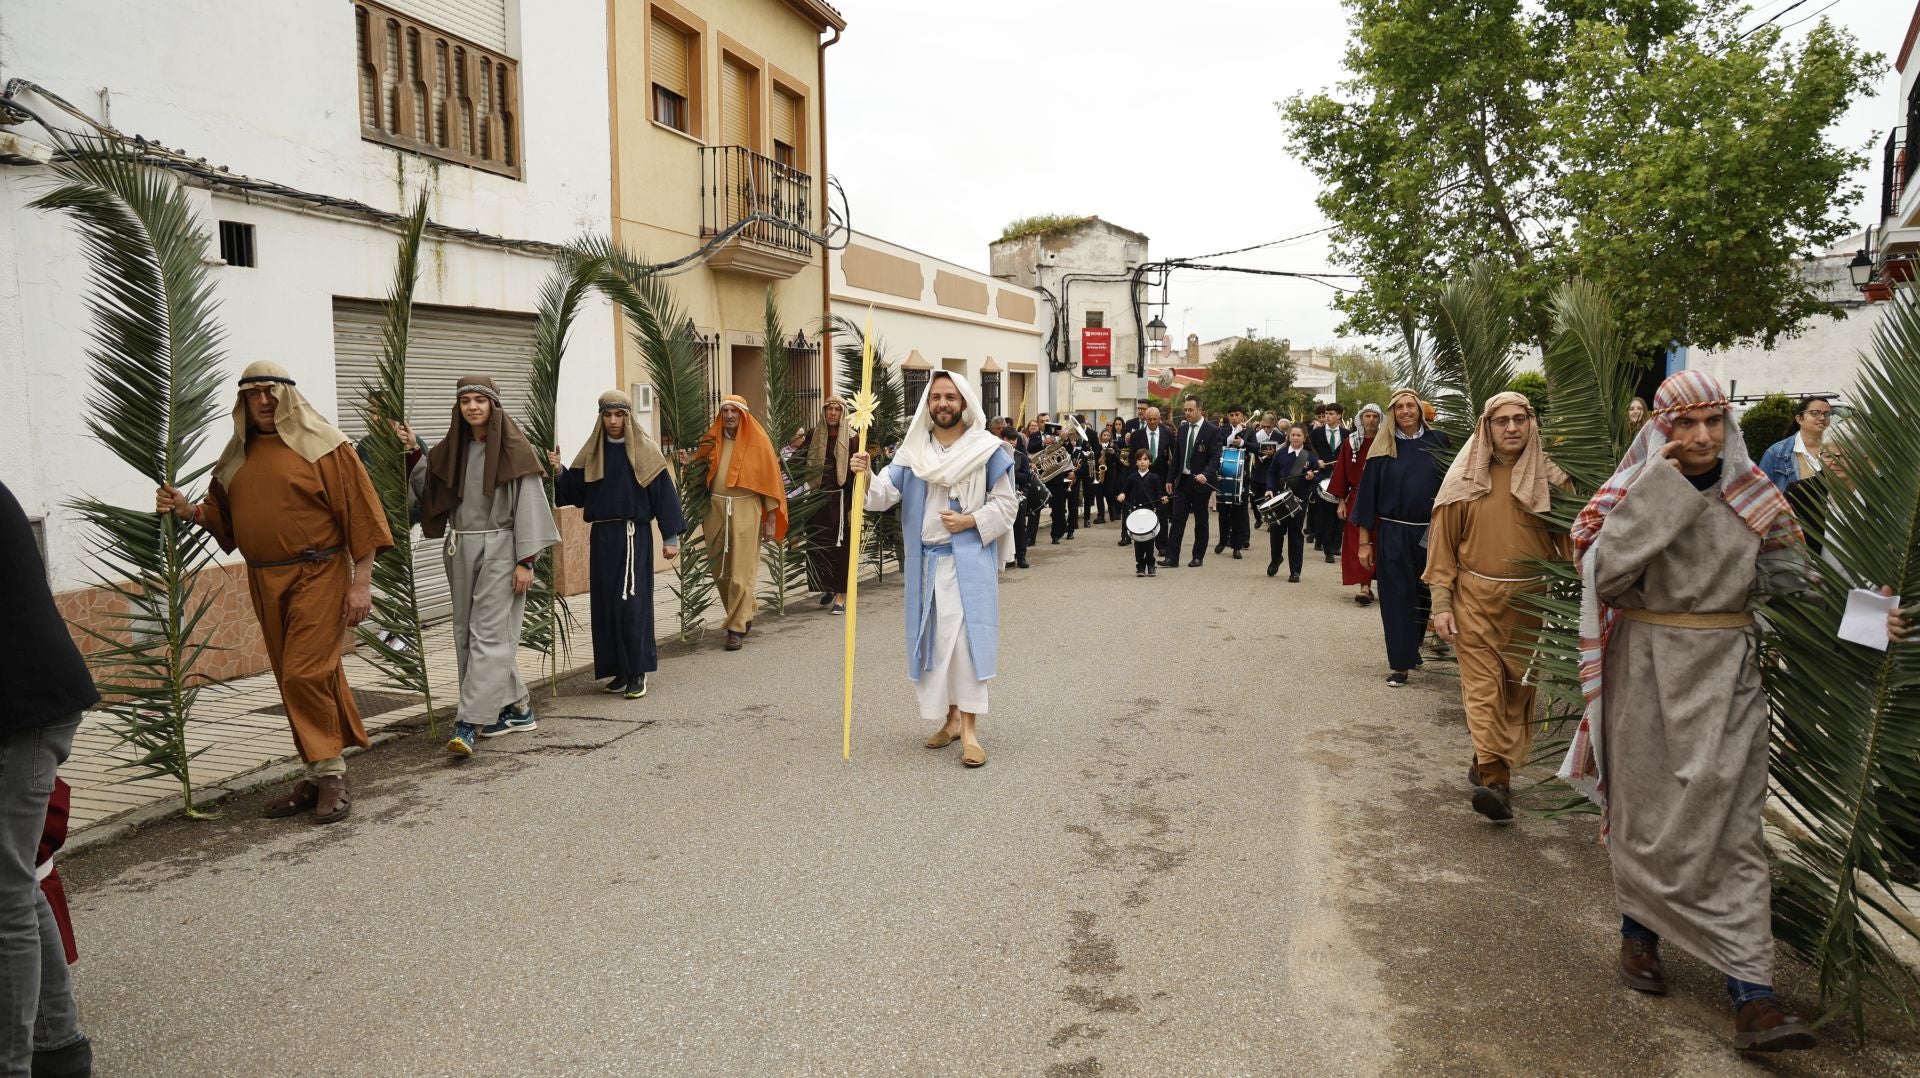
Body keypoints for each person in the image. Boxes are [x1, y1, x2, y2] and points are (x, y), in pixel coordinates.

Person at [1557, 370, 1823, 1051]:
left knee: (1733, 822)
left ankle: (1753, 995)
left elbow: (1799, 587)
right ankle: (1639, 936)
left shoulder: (1757, 497)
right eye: (1686, 424)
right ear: (1661, 429)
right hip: (1645, 665)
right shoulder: (1629, 493)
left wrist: (1873, 618)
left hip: (1726, 671)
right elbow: (1604, 573)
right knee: (1649, 816)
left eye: (1714, 423)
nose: (1702, 436)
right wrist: (1662, 488)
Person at [158, 361, 393, 820]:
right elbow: (222, 519)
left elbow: (363, 514)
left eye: (270, 392)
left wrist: (360, 583)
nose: (263, 402)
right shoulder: (236, 456)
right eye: (252, 394)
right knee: (300, 675)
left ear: (288, 395)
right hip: (264, 578)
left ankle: (330, 775)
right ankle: (312, 774)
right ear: (243, 401)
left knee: (303, 673)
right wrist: (187, 509)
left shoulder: (327, 447)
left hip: (319, 573)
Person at [853, 371, 1017, 769]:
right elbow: (882, 496)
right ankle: (951, 719)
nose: (943, 403)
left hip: (968, 562)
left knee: (965, 646)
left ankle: (972, 732)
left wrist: (971, 521)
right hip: (926, 564)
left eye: (951, 397)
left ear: (964, 403)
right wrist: (865, 473)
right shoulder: (912, 454)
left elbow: (1007, 505)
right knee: (937, 646)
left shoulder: (987, 450)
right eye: (936, 397)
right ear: (928, 404)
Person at [1422, 392, 1569, 821]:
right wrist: (1441, 605)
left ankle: (1486, 758)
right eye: (1501, 421)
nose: (1510, 428)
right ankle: (1496, 783)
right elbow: (1443, 550)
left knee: (1517, 693)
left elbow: (1571, 544)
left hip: (1530, 603)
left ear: (1531, 424)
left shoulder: (1554, 481)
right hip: (1474, 600)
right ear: (1486, 428)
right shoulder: (1464, 480)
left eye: (1519, 419)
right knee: (1483, 690)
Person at [2, 481, 96, 1078]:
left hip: (21, 710)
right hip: (30, 702)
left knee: (3, 893)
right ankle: (59, 1050)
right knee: (21, 879)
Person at [415, 375, 560, 755]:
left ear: (493, 405)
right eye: (466, 401)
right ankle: (518, 708)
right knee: (465, 632)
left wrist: (527, 561)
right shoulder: (453, 450)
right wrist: (414, 453)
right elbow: (431, 486)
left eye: (480, 400)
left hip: (502, 547)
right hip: (460, 546)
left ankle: (469, 723)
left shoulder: (514, 449)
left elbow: (530, 504)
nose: (473, 407)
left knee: (488, 633)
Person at [550, 390, 684, 700]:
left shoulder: (647, 452)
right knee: (606, 605)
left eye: (619, 415)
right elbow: (574, 493)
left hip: (632, 535)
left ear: (628, 417)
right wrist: (558, 471)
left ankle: (637, 671)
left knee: (631, 604)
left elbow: (664, 495)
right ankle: (619, 671)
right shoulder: (592, 453)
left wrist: (670, 538)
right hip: (602, 538)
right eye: (607, 415)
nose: (613, 421)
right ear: (601, 418)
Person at [1353, 388, 1449, 687]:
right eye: (1399, 407)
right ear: (1392, 413)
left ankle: (1412, 649)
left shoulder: (1440, 442)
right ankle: (1400, 664)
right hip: (1393, 532)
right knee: (1396, 598)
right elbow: (1367, 498)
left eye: (1411, 405)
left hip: (1432, 531)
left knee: (1423, 596)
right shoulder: (1383, 449)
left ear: (1420, 410)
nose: (1406, 411)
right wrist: (1364, 542)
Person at [690, 395, 789, 652]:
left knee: (741, 572)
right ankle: (744, 611)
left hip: (747, 508)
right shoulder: (711, 441)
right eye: (725, 410)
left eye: (734, 410)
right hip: (715, 509)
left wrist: (769, 520)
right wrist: (686, 464)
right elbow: (697, 472)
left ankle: (735, 629)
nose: (730, 415)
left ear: (743, 415)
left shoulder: (760, 442)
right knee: (720, 570)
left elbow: (770, 484)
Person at [803, 395, 858, 614]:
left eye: (837, 409)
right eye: (829, 409)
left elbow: (857, 475)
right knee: (819, 548)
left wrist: (854, 505)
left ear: (843, 413)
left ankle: (841, 595)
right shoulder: (813, 435)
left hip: (842, 501)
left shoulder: (853, 438)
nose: (833, 413)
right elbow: (799, 461)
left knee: (841, 549)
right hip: (818, 500)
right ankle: (827, 586)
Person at [1330, 404, 1381, 606]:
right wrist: (1341, 501)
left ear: (1380, 419)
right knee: (1357, 543)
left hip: (1383, 499)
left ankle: (1385, 585)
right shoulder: (1350, 442)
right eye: (1367, 416)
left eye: (1375, 416)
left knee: (1381, 541)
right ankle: (1364, 587)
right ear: (1361, 419)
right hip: (1357, 499)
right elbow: (1341, 472)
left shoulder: (1389, 442)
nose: (1370, 420)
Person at [1164, 396, 1223, 568]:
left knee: (1200, 520)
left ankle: (1198, 556)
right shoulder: (1182, 429)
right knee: (1177, 519)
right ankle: (1171, 557)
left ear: (1199, 410)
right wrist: (1170, 478)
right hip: (1182, 482)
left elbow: (1215, 456)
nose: (1187, 413)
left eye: (1190, 410)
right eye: (1185, 410)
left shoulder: (1211, 430)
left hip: (1200, 482)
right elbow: (1177, 457)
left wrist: (1206, 473)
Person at [1263, 424, 1320, 581]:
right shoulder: (1280, 454)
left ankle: (1295, 571)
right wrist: (1269, 488)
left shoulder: (1310, 456)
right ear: (1288, 436)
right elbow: (1271, 473)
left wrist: (1312, 478)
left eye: (1298, 435)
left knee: (1295, 535)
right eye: (1292, 435)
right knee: (1276, 533)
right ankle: (1276, 559)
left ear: (1304, 437)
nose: (1295, 438)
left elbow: (1318, 478)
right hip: (1279, 499)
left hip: (1299, 500)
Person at [1757, 396, 1832, 493]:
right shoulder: (1776, 453)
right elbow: (1761, 493)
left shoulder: (1838, 450)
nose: (1822, 418)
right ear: (1799, 419)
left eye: (1827, 414)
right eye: (1815, 413)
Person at [1127, 407, 1176, 550]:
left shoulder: (1168, 434)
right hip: (1142, 478)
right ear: (1145, 419)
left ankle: (1162, 545)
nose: (1153, 422)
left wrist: (1171, 479)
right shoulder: (1137, 436)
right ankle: (1142, 541)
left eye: (1155, 419)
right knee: (1143, 511)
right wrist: (1133, 480)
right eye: (1150, 419)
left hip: (1162, 479)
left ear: (1159, 419)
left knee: (1162, 512)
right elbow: (1132, 459)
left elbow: (1174, 458)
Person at [1116, 448, 1166, 577]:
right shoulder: (1131, 477)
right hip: (1135, 513)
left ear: (1150, 462)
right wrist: (1121, 495)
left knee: (1149, 542)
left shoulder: (1155, 477)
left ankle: (1150, 565)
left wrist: (1163, 498)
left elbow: (1159, 493)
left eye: (1145, 459)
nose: (1142, 462)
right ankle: (1140, 566)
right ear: (1136, 462)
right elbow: (1124, 491)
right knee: (1138, 542)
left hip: (1150, 513)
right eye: (1139, 459)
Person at [1310, 403, 1350, 562]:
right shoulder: (1317, 433)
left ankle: (1336, 545)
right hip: (1322, 477)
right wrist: (1316, 459)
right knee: (1325, 514)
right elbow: (1308, 450)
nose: (1327, 416)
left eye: (1331, 414)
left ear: (1339, 415)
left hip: (1341, 478)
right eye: (1326, 413)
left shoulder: (1347, 434)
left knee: (1340, 513)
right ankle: (1328, 550)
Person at [1214, 405, 1254, 559]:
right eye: (1231, 415)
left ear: (1242, 416)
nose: (1234, 418)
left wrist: (1243, 443)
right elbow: (1217, 447)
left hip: (1241, 477)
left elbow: (1256, 448)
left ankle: (1237, 546)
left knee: (1239, 512)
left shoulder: (1249, 431)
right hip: (1223, 475)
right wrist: (1230, 439)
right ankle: (1223, 541)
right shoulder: (1222, 430)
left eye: (1237, 414)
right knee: (1223, 512)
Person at [998, 424, 1034, 569]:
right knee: (1005, 527)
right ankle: (1007, 557)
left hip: (1019, 495)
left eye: (1014, 439)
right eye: (1009, 439)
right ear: (1003, 439)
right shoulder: (997, 455)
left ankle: (1021, 556)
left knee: (1019, 526)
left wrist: (1011, 473)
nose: (1012, 442)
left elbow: (1026, 477)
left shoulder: (1022, 457)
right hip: (1001, 495)